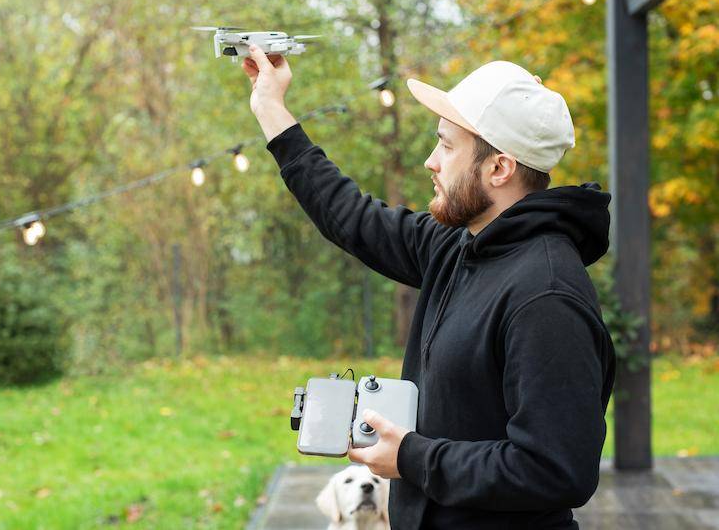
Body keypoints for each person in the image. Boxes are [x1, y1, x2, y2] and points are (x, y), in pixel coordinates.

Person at [241, 44, 615, 530]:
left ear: (498, 168)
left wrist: (413, 458)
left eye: (446, 145)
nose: (430, 161)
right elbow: (351, 217)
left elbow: (556, 469)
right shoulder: (460, 245)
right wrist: (272, 108)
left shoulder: (546, 296)